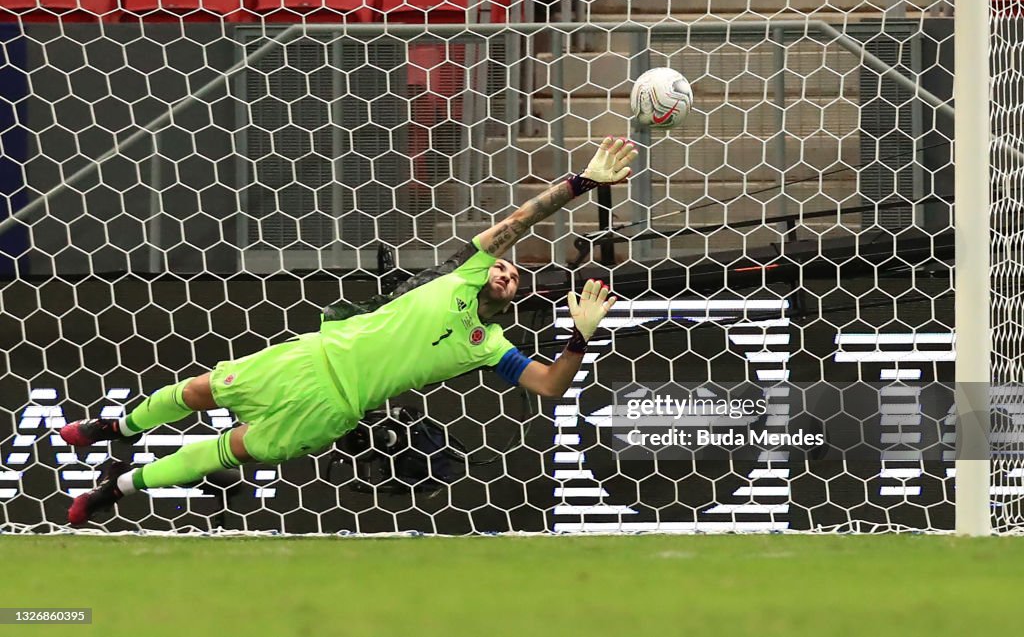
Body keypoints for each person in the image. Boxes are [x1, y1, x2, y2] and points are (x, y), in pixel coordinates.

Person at [62, 136, 638, 525]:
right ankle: (116, 425)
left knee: (226, 449)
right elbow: (522, 218)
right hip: (308, 358)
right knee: (198, 391)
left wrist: (580, 334)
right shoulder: (464, 269)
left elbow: (549, 386)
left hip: (333, 409)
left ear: (513, 301)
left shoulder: (488, 347)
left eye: (516, 277)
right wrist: (582, 182)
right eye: (505, 264)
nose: (507, 271)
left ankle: (117, 490)